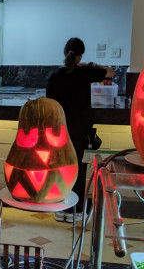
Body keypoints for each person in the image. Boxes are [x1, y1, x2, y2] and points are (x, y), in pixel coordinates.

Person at [46, 37, 115, 223]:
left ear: (65, 53)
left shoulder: (54, 76)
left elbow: (49, 105)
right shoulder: (86, 73)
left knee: (60, 168)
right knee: (78, 170)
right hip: (80, 130)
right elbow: (111, 72)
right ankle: (75, 211)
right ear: (80, 55)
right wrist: (91, 65)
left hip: (58, 131)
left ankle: (60, 208)